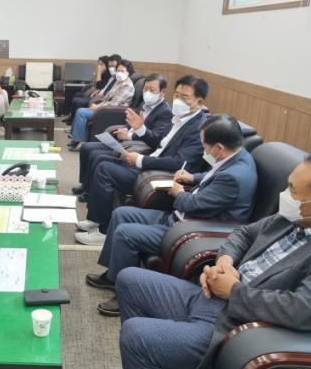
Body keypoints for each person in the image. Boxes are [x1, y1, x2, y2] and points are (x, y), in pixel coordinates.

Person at [106, 154, 311, 369]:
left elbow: (303, 310)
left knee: (137, 335)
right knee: (130, 280)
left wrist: (233, 291)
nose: (285, 195)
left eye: (293, 190)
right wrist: (224, 261)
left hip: (236, 326)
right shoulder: (302, 216)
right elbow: (244, 234)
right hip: (214, 297)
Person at [85, 115, 258, 316]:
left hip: (191, 228)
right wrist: (193, 177)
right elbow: (213, 176)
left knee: (125, 233)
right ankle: (113, 276)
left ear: (219, 148)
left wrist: (178, 193)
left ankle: (123, 295)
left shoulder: (234, 177)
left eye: (204, 145)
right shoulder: (238, 155)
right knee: (121, 214)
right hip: (182, 218)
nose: (203, 150)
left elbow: (194, 205)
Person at [76, 76, 209, 245]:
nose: (178, 100)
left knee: (105, 170)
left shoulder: (198, 128)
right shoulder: (179, 118)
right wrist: (140, 129)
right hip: (151, 165)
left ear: (199, 101)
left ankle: (102, 232)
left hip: (161, 176)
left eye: (185, 97)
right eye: (176, 95)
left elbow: (178, 162)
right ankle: (95, 220)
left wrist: (140, 160)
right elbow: (159, 143)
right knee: (102, 161)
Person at [72, 74, 173, 201]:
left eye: (152, 90)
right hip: (124, 140)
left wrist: (129, 135)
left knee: (96, 155)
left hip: (136, 147)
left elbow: (155, 138)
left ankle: (89, 191)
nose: (147, 93)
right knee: (86, 148)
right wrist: (124, 129)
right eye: (145, 89)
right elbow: (132, 123)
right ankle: (86, 185)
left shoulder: (165, 112)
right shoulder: (145, 104)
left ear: (163, 92)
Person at [68, 59, 136, 150]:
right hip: (105, 108)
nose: (119, 73)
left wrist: (98, 107)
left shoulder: (127, 85)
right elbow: (107, 97)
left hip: (113, 112)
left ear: (128, 72)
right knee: (80, 110)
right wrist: (97, 104)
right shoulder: (118, 81)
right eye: (118, 70)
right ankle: (76, 139)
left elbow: (114, 104)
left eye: (122, 71)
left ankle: (80, 142)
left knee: (81, 113)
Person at [65, 54, 120, 125]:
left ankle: (73, 121)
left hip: (101, 98)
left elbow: (99, 86)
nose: (99, 66)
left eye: (101, 64)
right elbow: (102, 87)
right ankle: (72, 118)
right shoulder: (111, 76)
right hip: (98, 94)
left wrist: (99, 73)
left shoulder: (110, 75)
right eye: (110, 66)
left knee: (77, 101)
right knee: (77, 95)